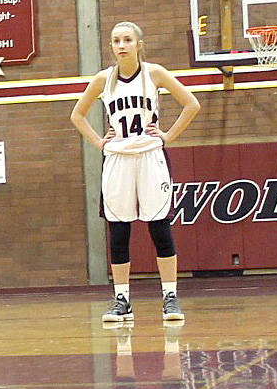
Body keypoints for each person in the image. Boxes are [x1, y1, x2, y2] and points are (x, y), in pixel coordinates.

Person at [70, 22, 201, 324]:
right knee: (119, 231)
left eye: (127, 39)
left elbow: (191, 104)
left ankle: (170, 296)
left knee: (159, 227)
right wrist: (99, 142)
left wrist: (167, 135)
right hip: (118, 160)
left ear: (139, 44)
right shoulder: (103, 79)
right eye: (116, 40)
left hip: (150, 156)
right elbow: (76, 114)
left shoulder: (154, 73)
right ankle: (122, 300)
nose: (121, 45)